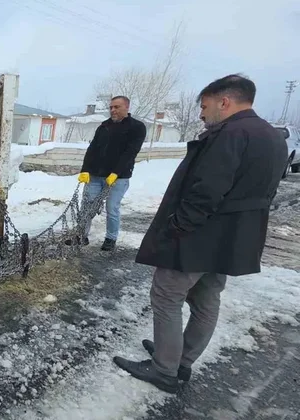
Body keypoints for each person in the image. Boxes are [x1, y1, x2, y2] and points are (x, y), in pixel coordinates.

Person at [113, 74, 288, 394]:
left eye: (205, 106)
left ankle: (165, 369)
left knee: (166, 295)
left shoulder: (230, 133)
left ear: (225, 101)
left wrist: (178, 226)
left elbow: (207, 189)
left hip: (200, 234)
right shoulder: (273, 136)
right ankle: (182, 360)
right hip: (234, 237)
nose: (201, 114)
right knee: (207, 298)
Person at [68, 96, 147, 251]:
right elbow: (92, 149)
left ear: (127, 108)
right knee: (87, 206)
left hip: (119, 177)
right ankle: (81, 236)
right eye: (111, 107)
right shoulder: (104, 126)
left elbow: (130, 152)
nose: (113, 110)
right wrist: (85, 169)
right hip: (96, 175)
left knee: (112, 208)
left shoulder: (136, 127)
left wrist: (116, 173)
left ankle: (110, 238)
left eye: (116, 107)